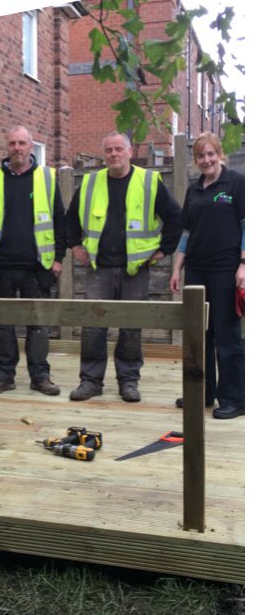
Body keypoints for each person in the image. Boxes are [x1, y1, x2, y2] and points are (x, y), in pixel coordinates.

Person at [65, 132, 183, 403]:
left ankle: (128, 381)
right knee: (94, 326)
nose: (114, 154)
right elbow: (70, 219)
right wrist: (75, 247)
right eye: (109, 150)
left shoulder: (149, 181)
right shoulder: (90, 183)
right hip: (99, 268)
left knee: (132, 326)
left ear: (130, 152)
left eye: (119, 149)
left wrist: (164, 250)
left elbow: (175, 217)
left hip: (135, 269)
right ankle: (90, 381)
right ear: (104, 154)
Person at [0, 126, 66, 396]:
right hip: (0, 266)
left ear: (30, 147)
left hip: (37, 267)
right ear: (7, 146)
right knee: (1, 325)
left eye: (22, 143)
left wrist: (58, 258)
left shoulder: (47, 178)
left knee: (38, 325)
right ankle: (3, 376)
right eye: (12, 143)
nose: (17, 148)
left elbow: (60, 220)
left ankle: (40, 376)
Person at [170, 132, 245, 419]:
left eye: (211, 154)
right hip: (197, 268)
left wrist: (244, 265)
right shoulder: (194, 190)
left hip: (226, 269)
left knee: (227, 335)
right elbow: (186, 233)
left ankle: (234, 399)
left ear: (220, 154)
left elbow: (248, 225)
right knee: (199, 334)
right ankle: (202, 393)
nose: (206, 160)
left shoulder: (236, 183)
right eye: (201, 156)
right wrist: (177, 268)